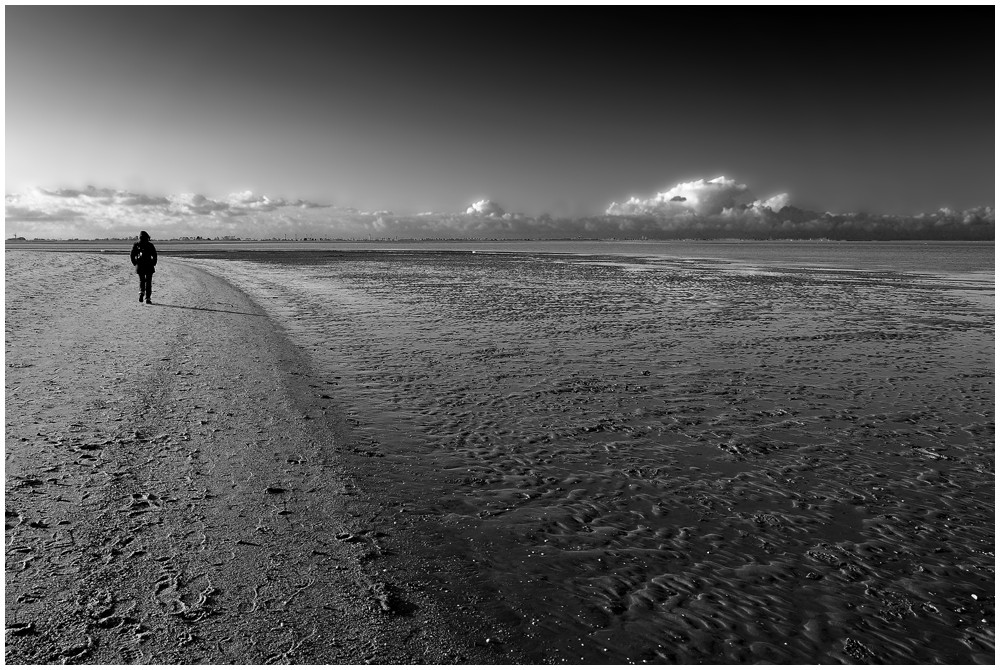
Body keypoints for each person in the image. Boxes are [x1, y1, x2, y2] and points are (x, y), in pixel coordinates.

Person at [130, 231, 158, 304]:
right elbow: (154, 255)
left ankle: (141, 293)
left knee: (142, 280)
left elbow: (132, 255)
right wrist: (154, 263)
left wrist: (135, 263)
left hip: (140, 265)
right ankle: (148, 298)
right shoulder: (150, 245)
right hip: (149, 265)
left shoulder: (136, 245)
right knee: (148, 282)